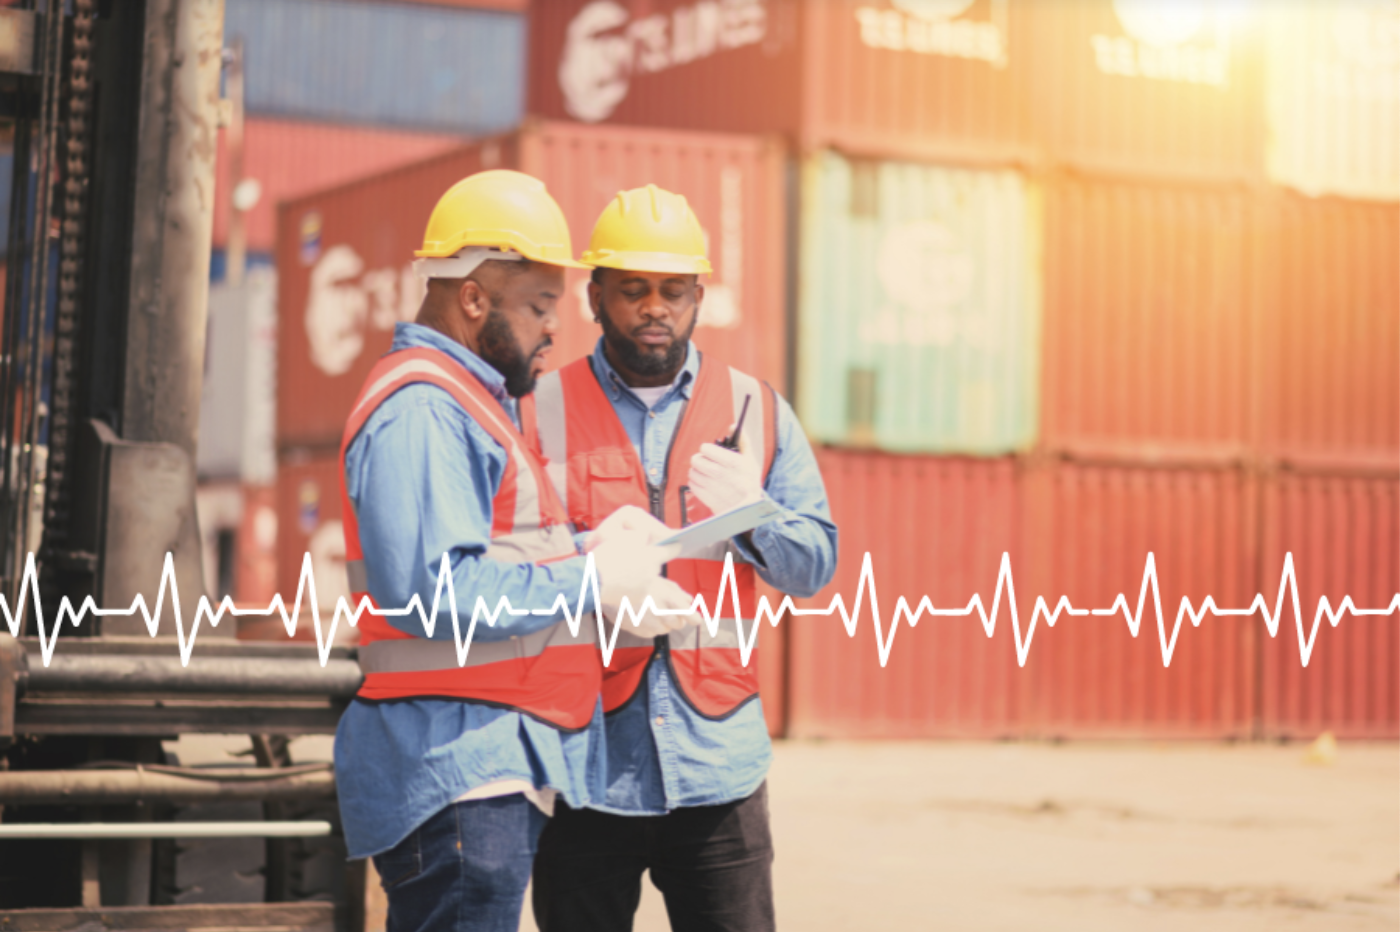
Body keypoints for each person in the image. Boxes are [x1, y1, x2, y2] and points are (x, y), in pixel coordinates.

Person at [333, 170, 697, 932]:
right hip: (456, 768)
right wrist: (591, 578)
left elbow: (493, 552)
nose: (552, 329)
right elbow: (432, 593)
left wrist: (593, 548)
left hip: (482, 764)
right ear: (473, 299)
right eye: (537, 305)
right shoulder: (425, 410)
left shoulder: (468, 404)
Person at [524, 184, 839, 932]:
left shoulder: (755, 410)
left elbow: (815, 566)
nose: (654, 307)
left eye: (672, 290)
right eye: (632, 290)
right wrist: (583, 558)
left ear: (699, 297)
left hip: (718, 767)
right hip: (583, 766)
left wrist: (751, 520)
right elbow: (503, 563)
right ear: (594, 296)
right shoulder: (537, 412)